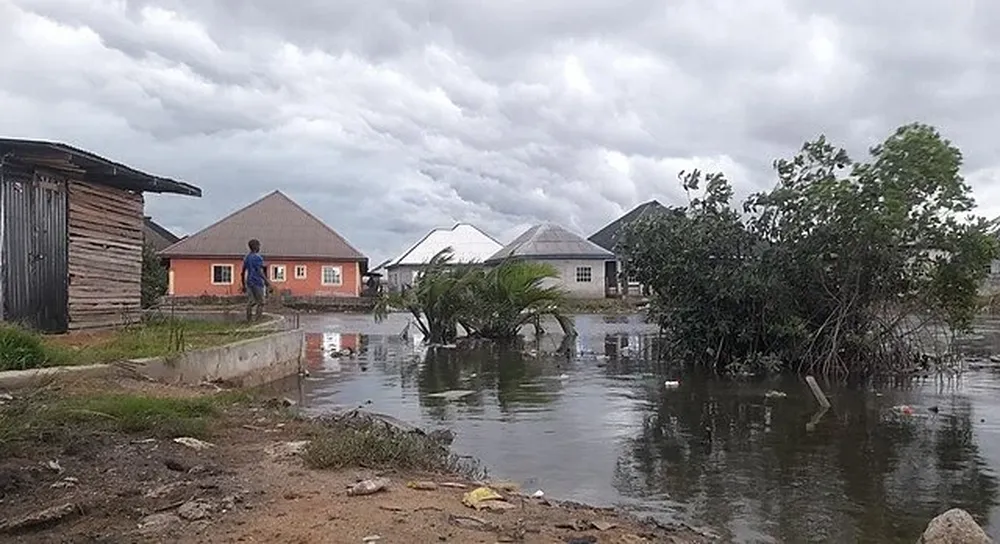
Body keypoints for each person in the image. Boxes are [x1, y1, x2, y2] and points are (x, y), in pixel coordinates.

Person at [241, 239, 270, 322]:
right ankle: (258, 320)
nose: (259, 248)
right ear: (256, 247)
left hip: (249, 282)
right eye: (259, 246)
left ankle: (249, 319)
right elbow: (259, 271)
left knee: (251, 301)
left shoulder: (247, 258)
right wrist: (266, 281)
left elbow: (242, 272)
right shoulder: (258, 258)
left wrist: (243, 284)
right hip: (257, 282)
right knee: (261, 302)